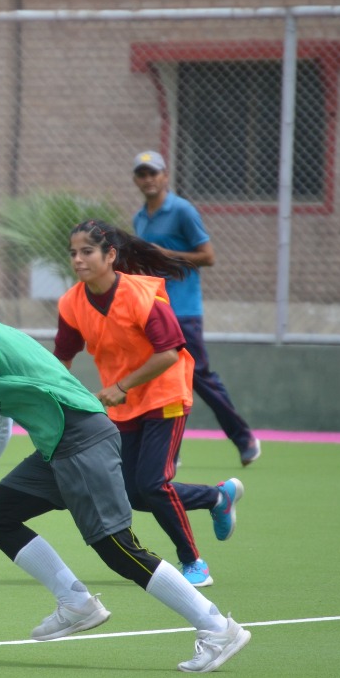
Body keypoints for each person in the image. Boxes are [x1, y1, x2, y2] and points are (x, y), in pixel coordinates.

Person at [0, 250, 251, 672]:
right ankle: (75, 603)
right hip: (59, 445)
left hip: (79, 439)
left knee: (118, 549)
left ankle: (216, 626)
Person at [55, 219, 244, 587]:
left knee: (154, 484)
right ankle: (217, 498)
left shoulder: (142, 295)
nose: (78, 260)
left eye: (87, 252)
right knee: (133, 493)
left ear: (110, 256)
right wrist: (52, 393)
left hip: (165, 393)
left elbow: (170, 353)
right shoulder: (72, 303)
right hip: (125, 404)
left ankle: (193, 562)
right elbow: (62, 360)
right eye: (73, 253)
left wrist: (122, 385)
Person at [131, 150, 261, 467]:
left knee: (198, 378)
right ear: (136, 179)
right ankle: (168, 453)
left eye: (153, 173)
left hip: (184, 311)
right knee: (158, 381)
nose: (148, 179)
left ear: (165, 176)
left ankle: (244, 438)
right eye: (142, 174)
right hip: (154, 311)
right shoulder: (139, 218)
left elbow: (208, 256)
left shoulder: (182, 211)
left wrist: (167, 254)